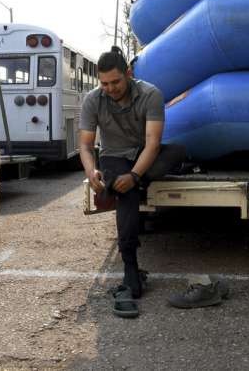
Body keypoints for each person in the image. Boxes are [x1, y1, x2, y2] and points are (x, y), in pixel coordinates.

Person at [79, 46, 190, 317]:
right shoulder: (93, 100)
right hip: (114, 157)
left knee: (177, 151)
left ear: (128, 74)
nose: (110, 88)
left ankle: (134, 183)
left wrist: (136, 176)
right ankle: (130, 267)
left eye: (116, 82)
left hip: (144, 156)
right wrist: (91, 172)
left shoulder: (151, 94)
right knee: (123, 190)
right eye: (104, 83)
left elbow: (153, 143)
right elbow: (85, 145)